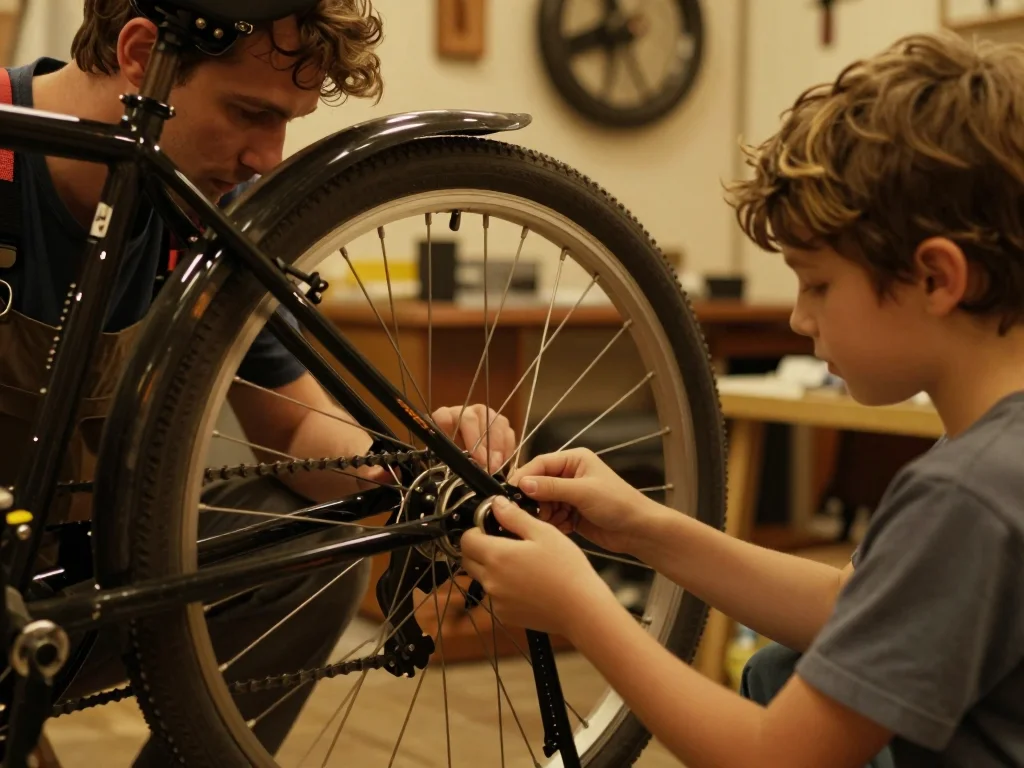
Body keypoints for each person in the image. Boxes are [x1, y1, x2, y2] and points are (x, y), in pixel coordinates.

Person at [461, 30, 1024, 768]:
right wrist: (644, 531)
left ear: (937, 279)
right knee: (775, 668)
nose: (799, 317)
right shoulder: (990, 457)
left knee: (774, 683)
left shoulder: (966, 494)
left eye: (817, 282)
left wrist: (580, 607)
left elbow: (772, 758)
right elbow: (852, 610)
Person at [0, 0, 517, 763]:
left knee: (308, 548)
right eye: (248, 111)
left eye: (287, 121)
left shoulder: (200, 214)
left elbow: (293, 428)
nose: (267, 158)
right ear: (141, 55)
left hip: (66, 577)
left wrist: (411, 468)